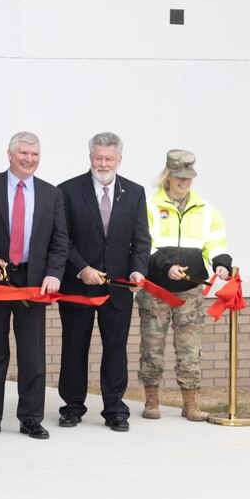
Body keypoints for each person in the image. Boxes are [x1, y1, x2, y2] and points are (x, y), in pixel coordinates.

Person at [0, 132, 68, 440]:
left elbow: (60, 242)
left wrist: (54, 273)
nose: (29, 159)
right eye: (24, 153)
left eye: (35, 155)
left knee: (32, 354)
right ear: (10, 154)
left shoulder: (52, 195)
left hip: (34, 283)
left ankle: (30, 418)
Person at [57, 132, 151, 432]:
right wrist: (81, 268)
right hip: (78, 286)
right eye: (98, 157)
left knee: (115, 348)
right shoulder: (68, 191)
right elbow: (63, 240)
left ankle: (115, 409)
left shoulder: (134, 193)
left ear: (119, 160)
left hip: (118, 289)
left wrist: (138, 271)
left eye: (109, 158)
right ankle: (72, 406)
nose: (103, 163)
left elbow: (141, 242)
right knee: (74, 347)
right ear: (90, 158)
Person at [137, 149, 231, 421]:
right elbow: (145, 246)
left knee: (190, 348)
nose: (184, 181)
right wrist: (167, 267)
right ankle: (151, 400)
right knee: (151, 347)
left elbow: (215, 244)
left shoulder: (206, 210)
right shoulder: (149, 207)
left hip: (190, 292)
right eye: (179, 176)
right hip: (156, 291)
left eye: (188, 176)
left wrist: (221, 263)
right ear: (168, 176)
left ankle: (190, 403)